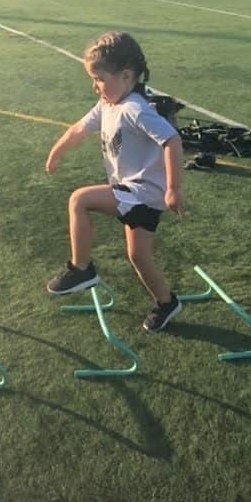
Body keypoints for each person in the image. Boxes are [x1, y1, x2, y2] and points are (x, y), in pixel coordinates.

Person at [45, 31, 185, 333]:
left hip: (143, 193)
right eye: (93, 79)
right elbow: (79, 130)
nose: (95, 87)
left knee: (79, 200)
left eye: (99, 79)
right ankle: (166, 303)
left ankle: (81, 269)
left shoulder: (134, 108)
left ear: (125, 76)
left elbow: (172, 140)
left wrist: (173, 189)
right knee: (139, 257)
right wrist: (57, 152)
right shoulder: (108, 105)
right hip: (132, 192)